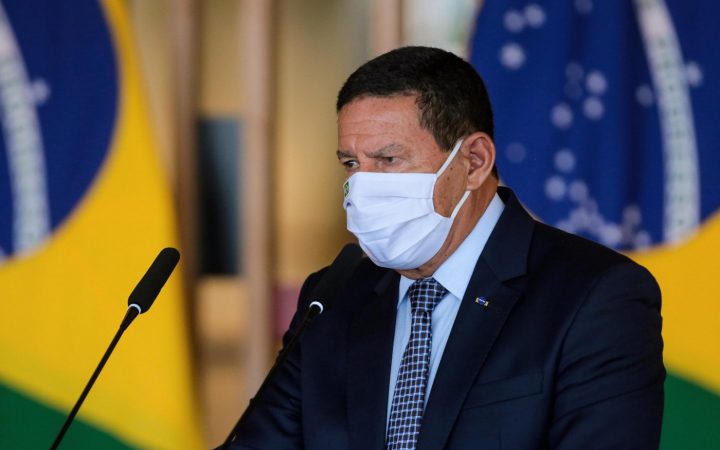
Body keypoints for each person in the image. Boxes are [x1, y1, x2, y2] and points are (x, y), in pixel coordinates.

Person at [230, 46, 664, 449]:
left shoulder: (595, 296)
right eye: (351, 163)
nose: (362, 185)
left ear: (474, 161)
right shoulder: (332, 297)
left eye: (388, 160)